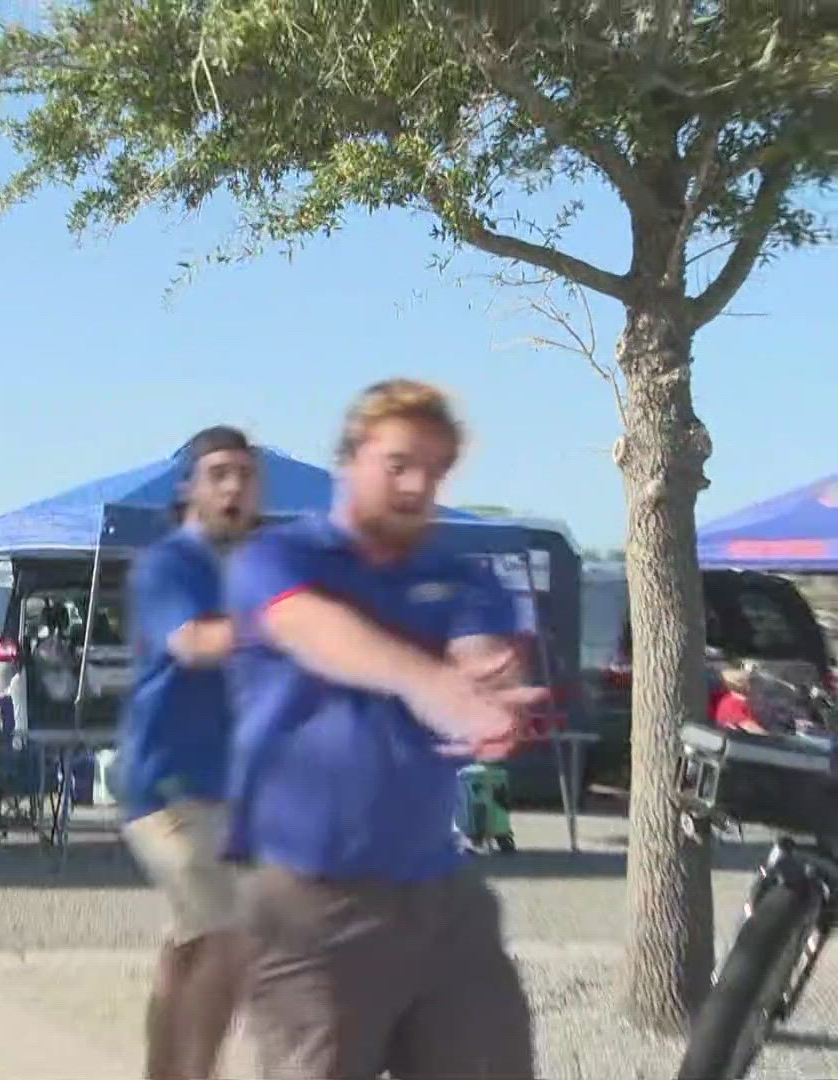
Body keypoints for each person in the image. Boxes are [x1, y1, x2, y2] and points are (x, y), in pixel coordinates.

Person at [223, 378, 546, 1079]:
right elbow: (314, 629)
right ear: (349, 460)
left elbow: (484, 658)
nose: (416, 485)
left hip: (441, 892)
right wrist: (428, 684)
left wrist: (493, 700)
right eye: (398, 463)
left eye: (434, 471)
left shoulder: (465, 578)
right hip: (309, 903)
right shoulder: (276, 559)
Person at [119, 425, 260, 1080]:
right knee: (230, 938)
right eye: (219, 473)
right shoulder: (172, 563)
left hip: (217, 789)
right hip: (166, 789)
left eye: (243, 475)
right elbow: (194, 643)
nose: (233, 487)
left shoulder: (242, 570)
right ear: (192, 488)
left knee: (189, 947)